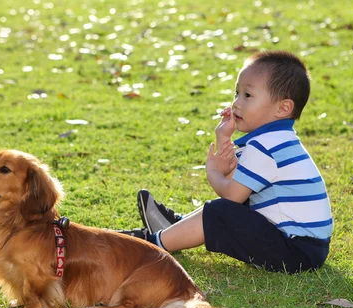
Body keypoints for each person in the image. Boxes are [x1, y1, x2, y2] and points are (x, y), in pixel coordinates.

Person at [121, 50, 333, 273]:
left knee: (220, 211)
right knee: (227, 210)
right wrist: (224, 138)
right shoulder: (277, 139)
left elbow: (232, 196)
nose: (236, 104)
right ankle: (175, 228)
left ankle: (152, 244)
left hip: (295, 252)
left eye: (248, 96)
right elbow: (238, 179)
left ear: (283, 108)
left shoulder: (265, 146)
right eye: (236, 93)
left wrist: (213, 173)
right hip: (308, 249)